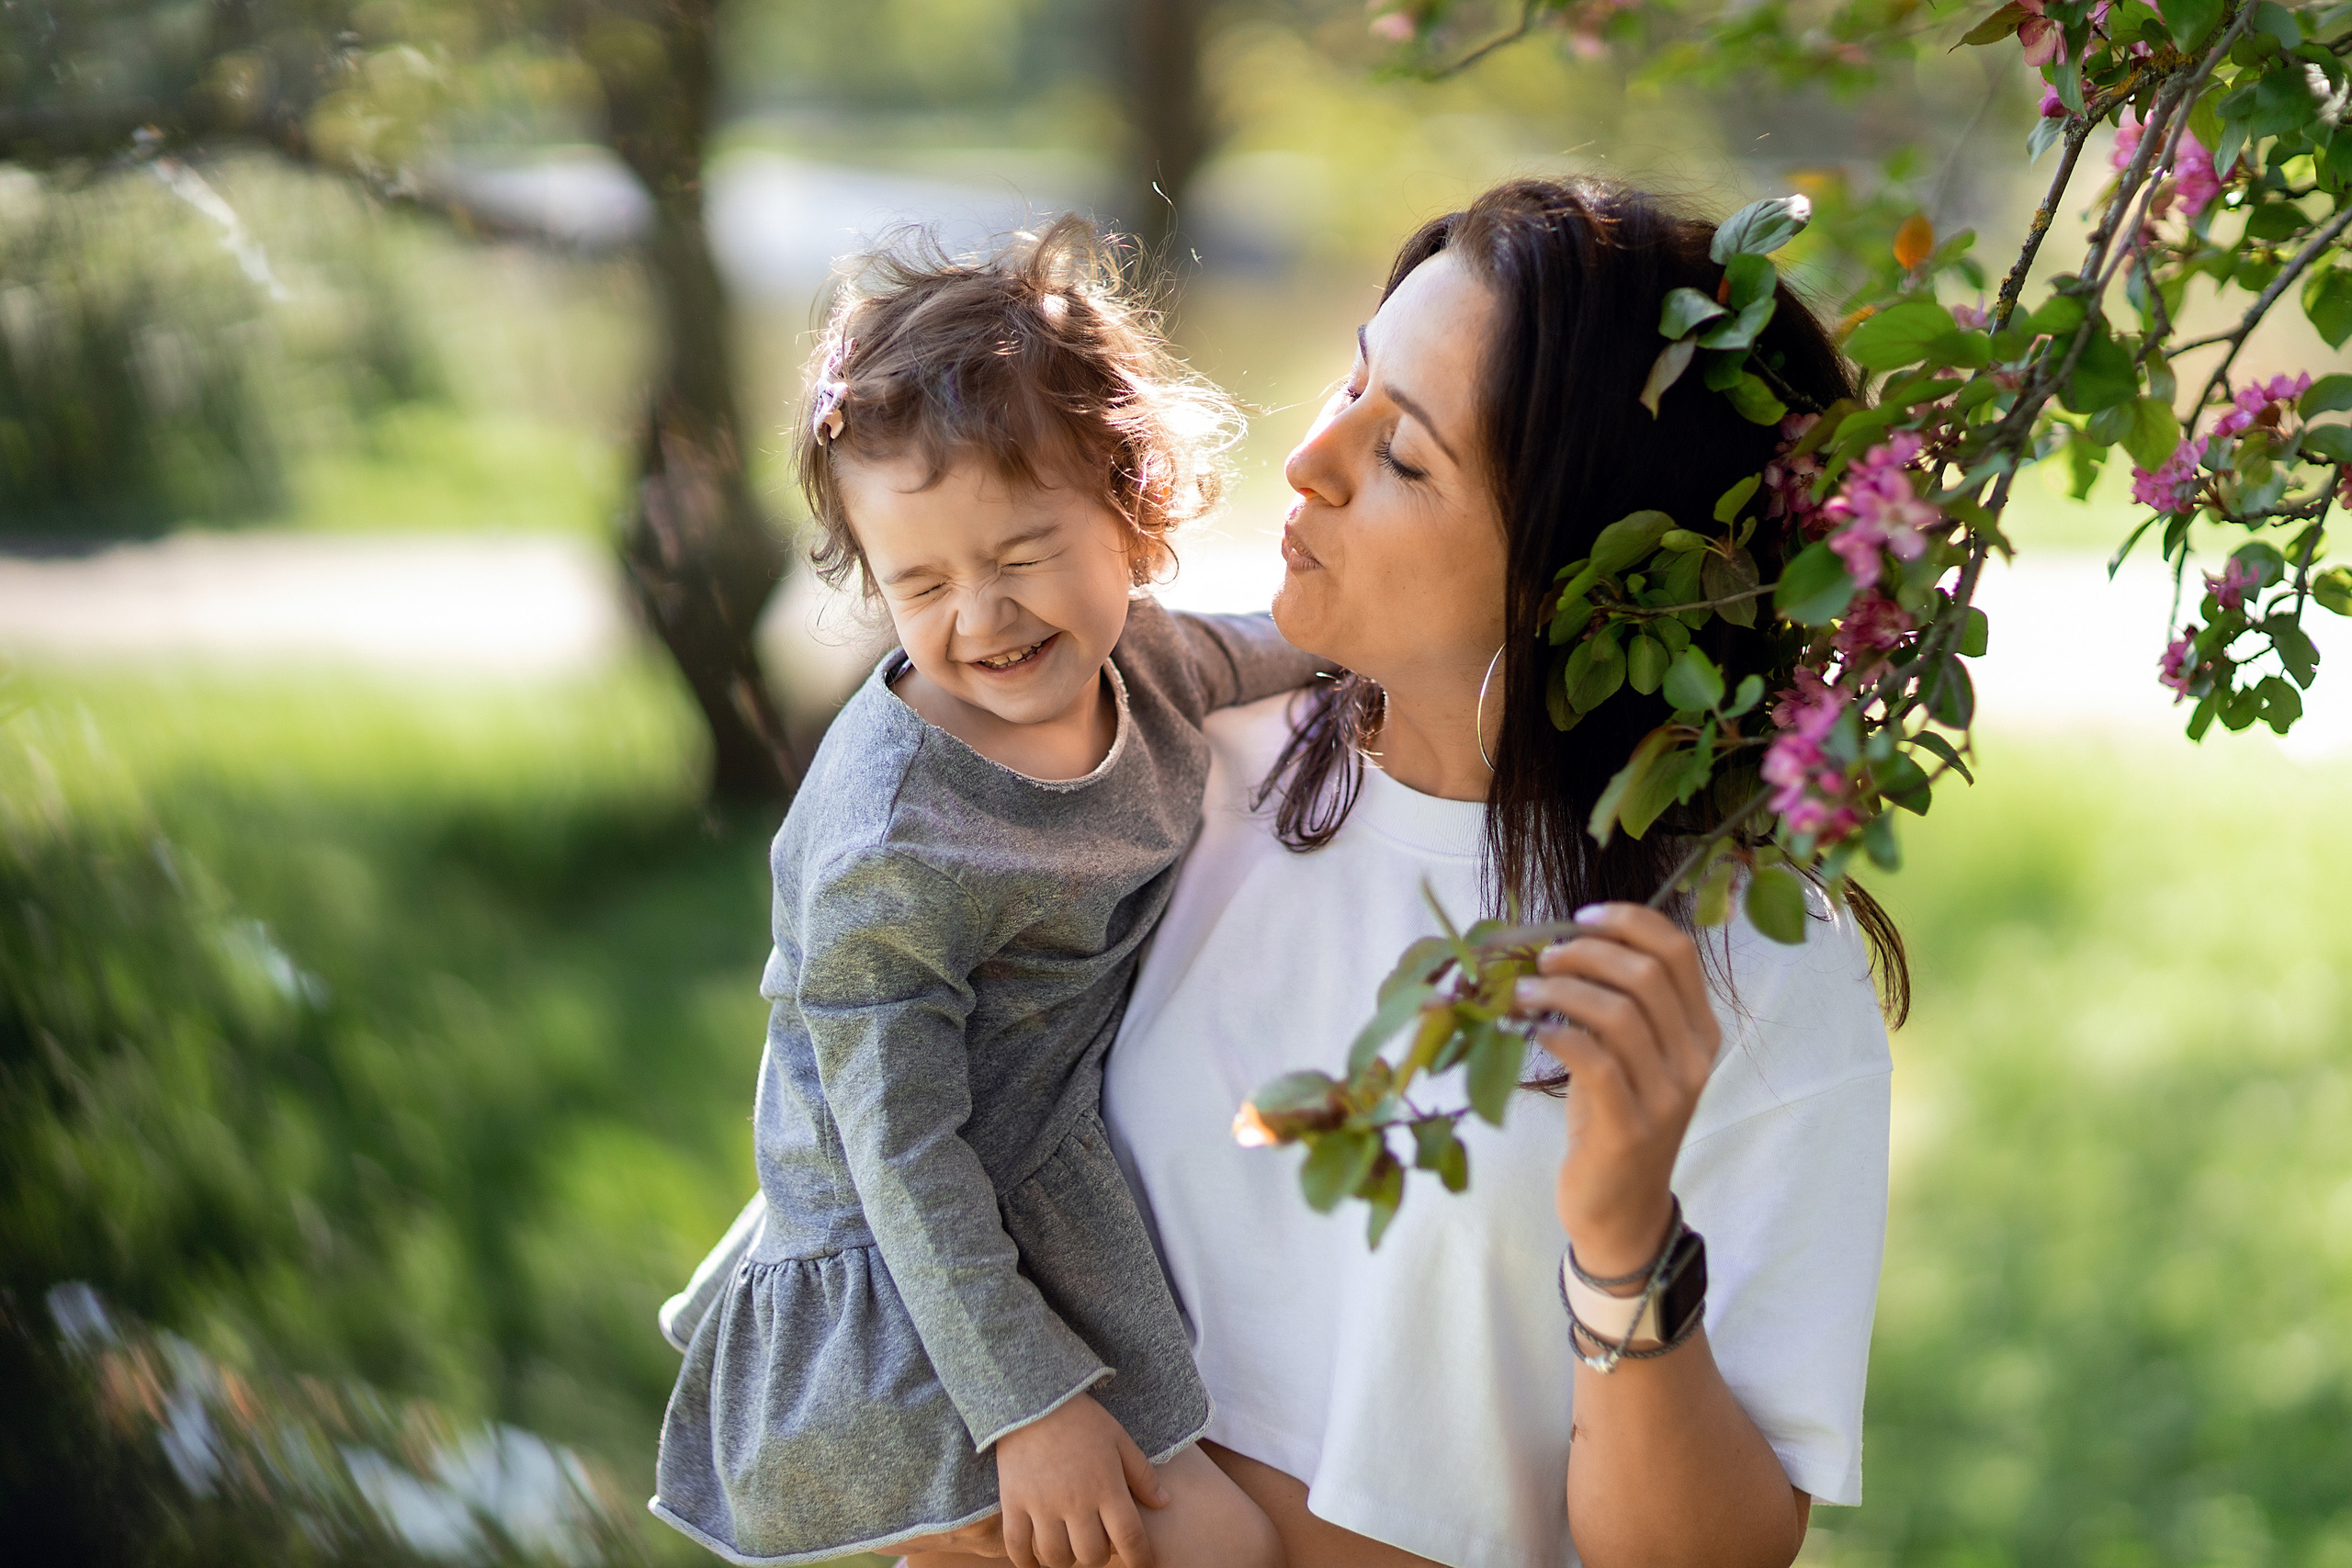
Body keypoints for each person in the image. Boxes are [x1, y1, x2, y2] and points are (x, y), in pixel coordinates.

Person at [1102, 177, 1904, 1568]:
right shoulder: (1176, 778)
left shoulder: (1746, 967)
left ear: (1580, 583)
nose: (1313, 461)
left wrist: (1620, 1233)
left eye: (1404, 456)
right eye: (1352, 376)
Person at [647, 218, 1308, 1568]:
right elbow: (894, 1149)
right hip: (921, 1281)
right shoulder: (897, 833)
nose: (982, 620)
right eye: (922, 584)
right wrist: (1029, 1408)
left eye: (1020, 557)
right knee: (1217, 1547)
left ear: (1135, 514)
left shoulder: (1158, 671)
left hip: (1039, 1206)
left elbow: (1301, 645)